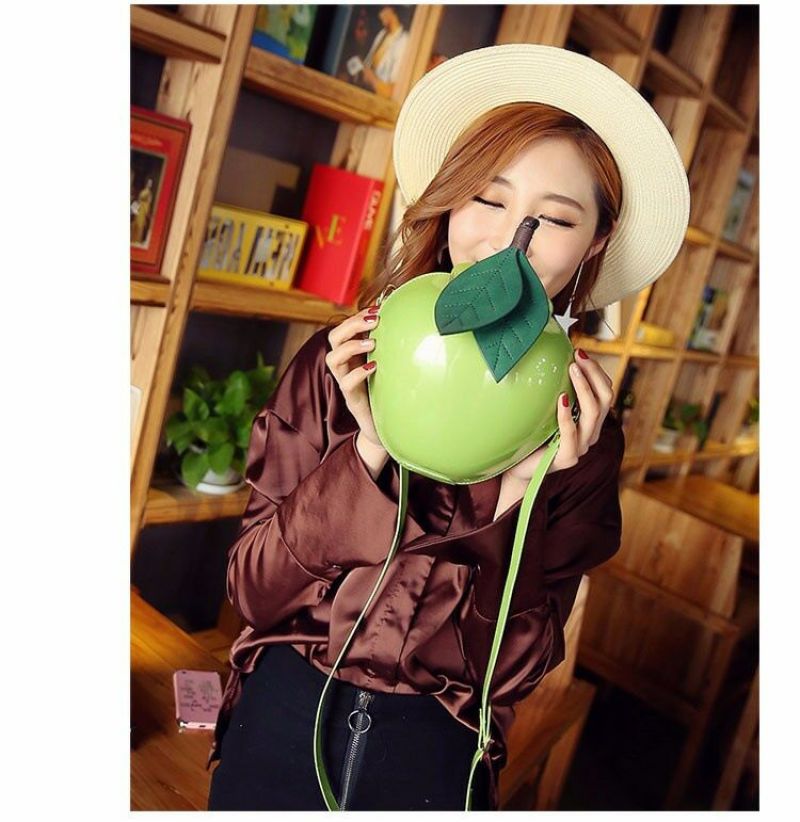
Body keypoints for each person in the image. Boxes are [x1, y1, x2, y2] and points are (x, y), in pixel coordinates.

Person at [206, 44, 689, 811]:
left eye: (555, 218)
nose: (509, 240)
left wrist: (521, 496)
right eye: (487, 200)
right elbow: (253, 590)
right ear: (450, 200)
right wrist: (367, 448)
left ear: (596, 240)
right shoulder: (345, 362)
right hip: (280, 721)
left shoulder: (579, 428)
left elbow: (515, 670)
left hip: (432, 757)